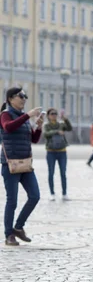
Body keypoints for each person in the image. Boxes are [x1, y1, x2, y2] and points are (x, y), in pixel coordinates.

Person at [1, 88, 43, 246]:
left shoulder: (24, 117)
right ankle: (8, 235)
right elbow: (8, 128)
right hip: (10, 164)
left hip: (25, 163)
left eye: (25, 96)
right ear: (11, 99)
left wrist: (38, 127)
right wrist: (28, 115)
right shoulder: (6, 114)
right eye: (21, 96)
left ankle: (18, 227)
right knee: (12, 201)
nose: (24, 99)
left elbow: (34, 139)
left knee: (35, 196)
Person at [43, 108, 72, 201]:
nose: (54, 115)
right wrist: (56, 132)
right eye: (52, 114)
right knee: (51, 173)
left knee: (63, 173)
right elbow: (45, 134)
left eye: (55, 113)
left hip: (62, 151)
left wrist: (65, 119)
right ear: (48, 115)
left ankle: (64, 193)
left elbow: (70, 128)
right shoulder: (46, 125)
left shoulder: (61, 124)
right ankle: (52, 193)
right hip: (51, 152)